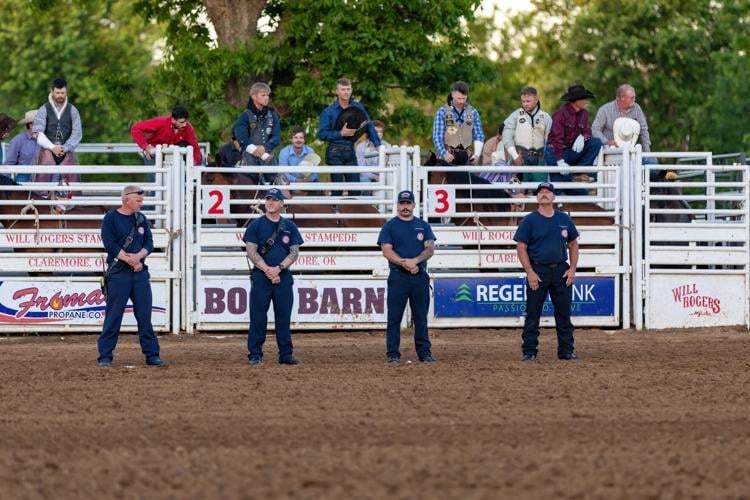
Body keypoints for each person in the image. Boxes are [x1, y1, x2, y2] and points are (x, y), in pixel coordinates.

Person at [97, 185, 165, 368]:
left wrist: (139, 257)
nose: (141, 203)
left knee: (144, 316)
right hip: (119, 274)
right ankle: (105, 355)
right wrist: (131, 260)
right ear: (126, 199)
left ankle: (152, 355)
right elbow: (109, 244)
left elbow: (149, 243)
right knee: (113, 316)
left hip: (139, 273)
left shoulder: (141, 219)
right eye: (138, 200)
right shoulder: (111, 218)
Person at [513, 182, 579, 362]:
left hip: (560, 271)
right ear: (537, 197)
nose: (544, 194)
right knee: (533, 313)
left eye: (548, 192)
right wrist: (530, 272)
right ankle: (529, 351)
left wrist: (572, 269)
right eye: (541, 192)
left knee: (564, 313)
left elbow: (573, 244)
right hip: (538, 270)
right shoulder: (529, 220)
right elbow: (521, 247)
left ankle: (566, 350)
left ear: (553, 197)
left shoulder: (564, 219)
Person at [243, 187, 304, 366]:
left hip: (283, 277)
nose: (270, 202)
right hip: (262, 277)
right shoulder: (255, 225)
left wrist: (278, 268)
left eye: (274, 200)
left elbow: (294, 252)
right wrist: (268, 270)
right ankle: (255, 354)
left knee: (283, 317)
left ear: (282, 204)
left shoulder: (290, 227)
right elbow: (250, 251)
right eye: (268, 199)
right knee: (258, 317)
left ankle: (286, 354)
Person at [377, 190, 436, 364]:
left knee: (420, 317)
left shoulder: (423, 226)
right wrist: (405, 263)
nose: (405, 207)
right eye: (402, 203)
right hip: (398, 276)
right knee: (394, 317)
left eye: (408, 203)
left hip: (419, 276)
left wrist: (416, 261)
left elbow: (430, 248)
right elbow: (386, 250)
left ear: (413, 205)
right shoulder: (390, 226)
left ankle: (424, 352)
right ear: (397, 205)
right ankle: (393, 353)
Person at [592, 84, 673, 180]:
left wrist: (647, 152)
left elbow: (644, 129)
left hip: (631, 151)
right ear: (622, 98)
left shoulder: (636, 108)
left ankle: (657, 179)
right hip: (611, 153)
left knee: (652, 163)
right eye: (632, 98)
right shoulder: (605, 110)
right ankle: (659, 178)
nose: (634, 100)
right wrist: (606, 141)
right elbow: (595, 129)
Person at [318, 78, 381, 195]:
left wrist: (378, 145)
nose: (346, 92)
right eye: (343, 89)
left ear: (351, 91)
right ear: (337, 91)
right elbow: (322, 134)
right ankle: (335, 213)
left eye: (348, 89)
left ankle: (353, 213)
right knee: (338, 189)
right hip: (334, 151)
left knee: (355, 189)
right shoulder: (328, 111)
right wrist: (340, 133)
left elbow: (369, 125)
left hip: (350, 150)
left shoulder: (358, 107)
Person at [545, 84, 603, 195]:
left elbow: (587, 131)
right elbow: (557, 139)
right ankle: (572, 177)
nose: (587, 101)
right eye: (584, 98)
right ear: (576, 100)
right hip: (555, 153)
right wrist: (560, 161)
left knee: (596, 142)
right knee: (558, 190)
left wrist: (583, 137)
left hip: (571, 151)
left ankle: (578, 173)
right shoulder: (559, 115)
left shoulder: (584, 114)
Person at [32, 78, 83, 188]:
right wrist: (52, 147)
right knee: (43, 174)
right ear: (52, 91)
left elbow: (77, 133)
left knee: (72, 183)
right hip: (47, 150)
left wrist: (65, 148)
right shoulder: (44, 109)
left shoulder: (73, 110)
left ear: (66, 92)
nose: (60, 95)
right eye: (57, 93)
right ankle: (41, 201)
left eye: (62, 93)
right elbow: (38, 132)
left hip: (67, 150)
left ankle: (74, 202)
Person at [233, 82, 281, 184]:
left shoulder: (272, 116)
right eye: (263, 95)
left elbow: (276, 137)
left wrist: (264, 147)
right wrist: (258, 151)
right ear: (254, 96)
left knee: (276, 185)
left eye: (267, 95)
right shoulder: (244, 116)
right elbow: (242, 138)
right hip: (249, 157)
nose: (266, 98)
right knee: (250, 183)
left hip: (269, 156)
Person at [502, 86, 552, 183]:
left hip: (540, 158)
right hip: (520, 158)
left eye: (528, 101)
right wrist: (514, 155)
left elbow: (550, 140)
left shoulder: (545, 117)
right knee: (520, 191)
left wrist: (549, 158)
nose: (525, 104)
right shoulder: (515, 115)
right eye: (523, 101)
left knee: (539, 189)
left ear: (536, 100)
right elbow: (506, 136)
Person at [130, 105, 203, 168]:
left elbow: (195, 147)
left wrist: (195, 162)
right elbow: (135, 128)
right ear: (173, 120)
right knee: (156, 179)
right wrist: (145, 146)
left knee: (174, 179)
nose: (184, 125)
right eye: (181, 122)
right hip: (154, 152)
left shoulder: (188, 128)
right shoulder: (161, 122)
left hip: (171, 156)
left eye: (186, 121)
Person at [432, 81, 484, 165]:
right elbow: (437, 136)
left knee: (466, 178)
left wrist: (477, 154)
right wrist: (444, 153)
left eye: (464, 98)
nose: (461, 101)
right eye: (459, 98)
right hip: (447, 157)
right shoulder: (442, 111)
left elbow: (479, 134)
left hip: (466, 157)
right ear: (452, 94)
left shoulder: (473, 112)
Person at [3, 110, 40, 182]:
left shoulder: (48, 141)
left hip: (44, 178)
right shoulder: (18, 140)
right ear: (31, 125)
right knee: (21, 179)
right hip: (24, 176)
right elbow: (9, 164)